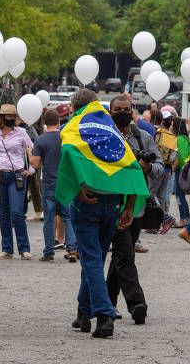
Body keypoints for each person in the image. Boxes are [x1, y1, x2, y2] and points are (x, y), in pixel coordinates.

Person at [61, 89, 144, 338]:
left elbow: (68, 156)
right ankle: (83, 313)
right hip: (113, 204)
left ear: (75, 107)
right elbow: (131, 166)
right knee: (95, 258)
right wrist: (129, 206)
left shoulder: (74, 127)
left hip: (87, 201)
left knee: (91, 259)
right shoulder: (112, 131)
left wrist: (77, 189)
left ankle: (104, 315)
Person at [105, 95, 162, 324]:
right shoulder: (105, 136)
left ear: (132, 111)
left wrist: (148, 168)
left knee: (120, 255)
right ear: (110, 112)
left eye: (126, 109)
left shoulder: (143, 137)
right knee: (126, 254)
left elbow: (160, 167)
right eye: (117, 109)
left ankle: (107, 303)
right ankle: (137, 303)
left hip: (137, 207)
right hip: (112, 204)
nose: (122, 112)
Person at [0, 105, 34, 259]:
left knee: (17, 213)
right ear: (1, 117)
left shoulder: (21, 132)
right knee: (4, 214)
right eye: (8, 116)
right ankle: (7, 249)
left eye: (13, 116)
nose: (11, 119)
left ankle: (24, 248)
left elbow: (32, 150)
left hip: (16, 175)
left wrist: (31, 169)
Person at [31, 109, 78, 262]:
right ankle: (72, 249)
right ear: (59, 122)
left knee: (49, 219)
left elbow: (35, 163)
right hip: (65, 184)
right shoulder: (66, 138)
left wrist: (30, 154)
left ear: (44, 122)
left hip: (49, 183)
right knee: (68, 217)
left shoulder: (40, 140)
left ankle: (49, 251)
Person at [172, 117, 190, 228]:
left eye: (171, 124)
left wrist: (172, 169)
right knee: (181, 196)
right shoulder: (184, 137)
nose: (170, 127)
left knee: (179, 196)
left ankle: (183, 219)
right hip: (185, 170)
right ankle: (187, 218)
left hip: (181, 171)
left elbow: (179, 157)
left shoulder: (179, 139)